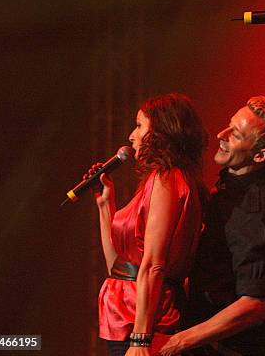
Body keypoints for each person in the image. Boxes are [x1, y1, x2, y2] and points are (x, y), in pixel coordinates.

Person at [159, 96, 265, 356]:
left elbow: (253, 305)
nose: (222, 134)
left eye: (236, 134)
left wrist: (179, 342)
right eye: (228, 125)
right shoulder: (231, 186)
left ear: (260, 155)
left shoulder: (258, 212)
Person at [87, 93, 207, 356]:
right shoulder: (156, 179)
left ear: (162, 131)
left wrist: (140, 340)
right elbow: (117, 267)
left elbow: (154, 264)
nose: (132, 135)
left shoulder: (167, 179)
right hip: (124, 315)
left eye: (140, 125)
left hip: (142, 322)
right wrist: (105, 205)